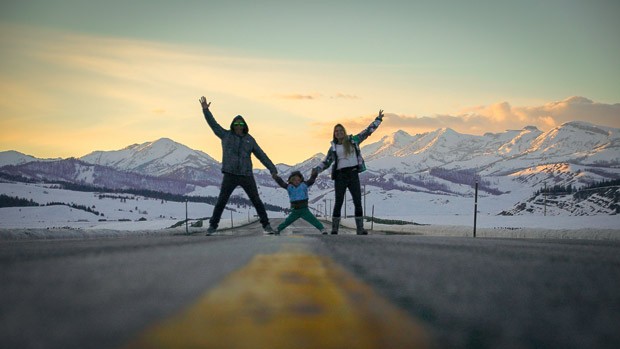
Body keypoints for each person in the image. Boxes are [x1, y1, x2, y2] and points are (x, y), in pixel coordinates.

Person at [199, 96, 278, 235]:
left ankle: (266, 226)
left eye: (241, 124)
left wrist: (272, 169)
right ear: (233, 125)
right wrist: (206, 110)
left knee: (256, 201)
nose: (238, 126)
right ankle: (212, 226)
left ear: (244, 125)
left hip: (246, 175)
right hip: (230, 174)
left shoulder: (250, 140)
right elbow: (213, 125)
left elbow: (261, 155)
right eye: (236, 123)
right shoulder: (225, 135)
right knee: (222, 201)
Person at [312, 110, 384, 235]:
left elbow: (367, 132)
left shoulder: (353, 140)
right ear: (334, 134)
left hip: (353, 173)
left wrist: (378, 120)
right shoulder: (333, 147)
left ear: (344, 132)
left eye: (341, 130)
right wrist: (316, 170)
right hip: (340, 175)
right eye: (336, 131)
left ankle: (360, 229)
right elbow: (326, 162)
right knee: (338, 201)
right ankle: (335, 228)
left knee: (357, 201)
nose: (339, 132)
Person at [273, 170, 327, 235]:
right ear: (291, 180)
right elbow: (281, 183)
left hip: (304, 209)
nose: (297, 181)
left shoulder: (304, 185)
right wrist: (276, 178)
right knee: (287, 221)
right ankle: (278, 229)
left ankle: (322, 229)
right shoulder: (289, 187)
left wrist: (314, 175)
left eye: (298, 180)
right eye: (294, 180)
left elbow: (311, 181)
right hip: (295, 210)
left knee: (313, 220)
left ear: (301, 180)